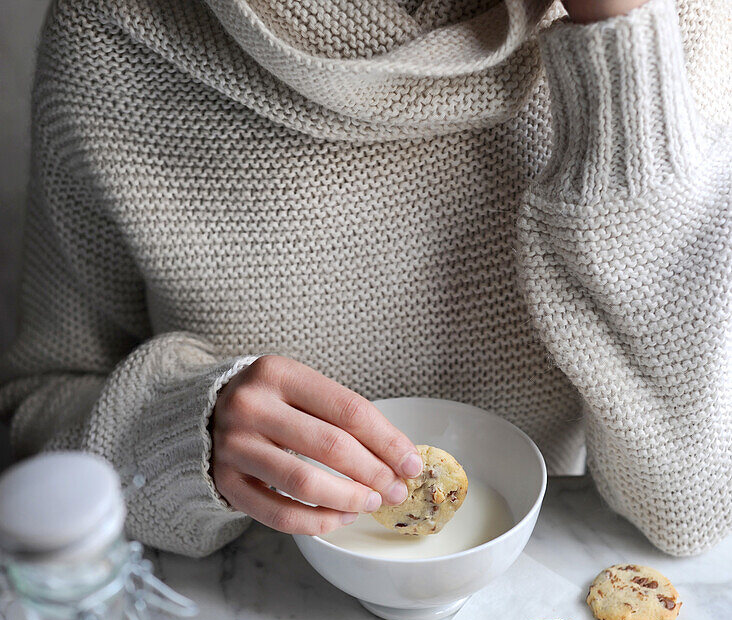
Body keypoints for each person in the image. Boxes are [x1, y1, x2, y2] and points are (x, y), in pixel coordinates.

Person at [1, 0, 729, 558]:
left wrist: (627, 47)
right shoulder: (116, 35)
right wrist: (177, 435)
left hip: (555, 608)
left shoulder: (675, 17)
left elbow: (694, 505)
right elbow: (36, 411)